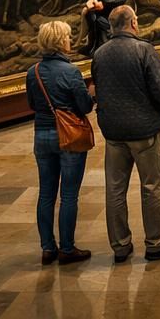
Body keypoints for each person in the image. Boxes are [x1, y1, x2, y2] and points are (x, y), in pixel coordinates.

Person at [91, 5, 160, 264]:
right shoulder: (144, 50)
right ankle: (156, 243)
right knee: (153, 187)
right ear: (133, 23)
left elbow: (98, 87)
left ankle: (120, 245)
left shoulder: (100, 53)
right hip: (145, 131)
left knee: (115, 189)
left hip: (113, 132)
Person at [26, 20, 93, 266]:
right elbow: (84, 106)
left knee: (45, 193)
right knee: (68, 195)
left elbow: (32, 104)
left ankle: (47, 247)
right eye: (67, 36)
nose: (70, 40)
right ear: (60, 41)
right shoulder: (71, 72)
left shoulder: (32, 72)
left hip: (41, 135)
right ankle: (66, 248)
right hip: (69, 136)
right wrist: (91, 94)